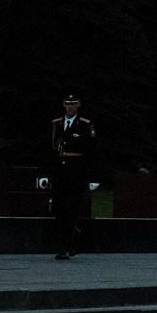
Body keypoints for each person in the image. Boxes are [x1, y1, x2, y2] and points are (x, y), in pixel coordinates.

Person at [49, 92, 96, 260]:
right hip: (60, 174)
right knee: (59, 210)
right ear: (63, 105)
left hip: (76, 174)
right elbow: (50, 151)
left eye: (73, 104)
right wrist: (46, 174)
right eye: (67, 104)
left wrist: (92, 177)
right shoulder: (57, 124)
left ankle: (67, 246)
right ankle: (66, 243)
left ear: (78, 105)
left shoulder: (85, 125)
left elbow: (91, 152)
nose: (70, 107)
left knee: (71, 210)